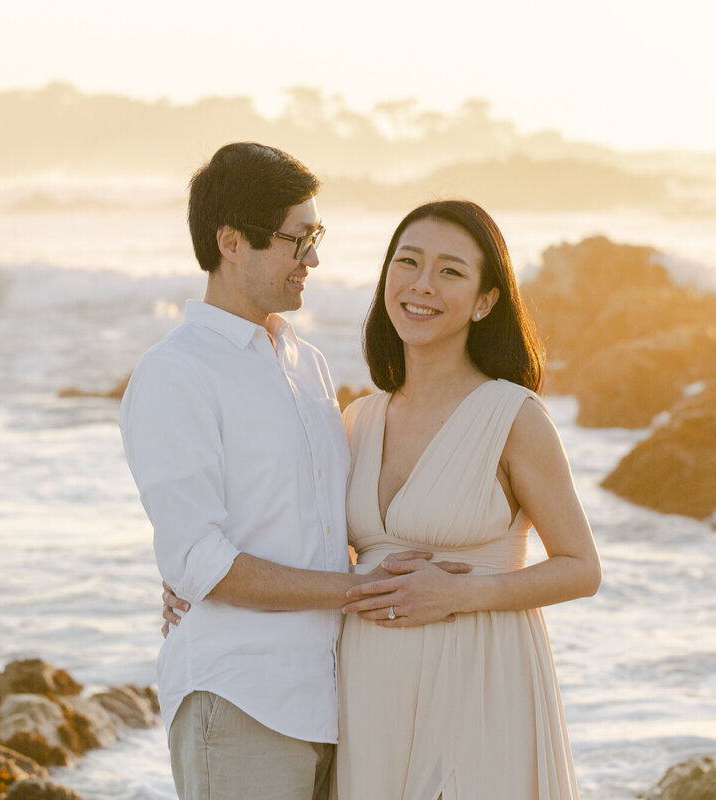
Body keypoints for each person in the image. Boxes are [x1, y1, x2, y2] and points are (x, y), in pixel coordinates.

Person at [120, 143, 462, 800]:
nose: (313, 259)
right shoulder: (176, 373)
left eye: (317, 237)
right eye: (296, 240)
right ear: (231, 242)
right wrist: (361, 591)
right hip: (242, 697)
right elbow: (202, 563)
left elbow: (324, 522)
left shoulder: (306, 364)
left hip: (333, 700)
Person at [333, 200, 601, 799]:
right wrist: (203, 587)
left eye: (450, 270)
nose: (421, 284)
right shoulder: (358, 419)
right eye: (408, 262)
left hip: (480, 685)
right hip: (369, 694)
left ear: (485, 302)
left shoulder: (513, 416)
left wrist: (460, 593)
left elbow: (582, 569)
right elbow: (309, 547)